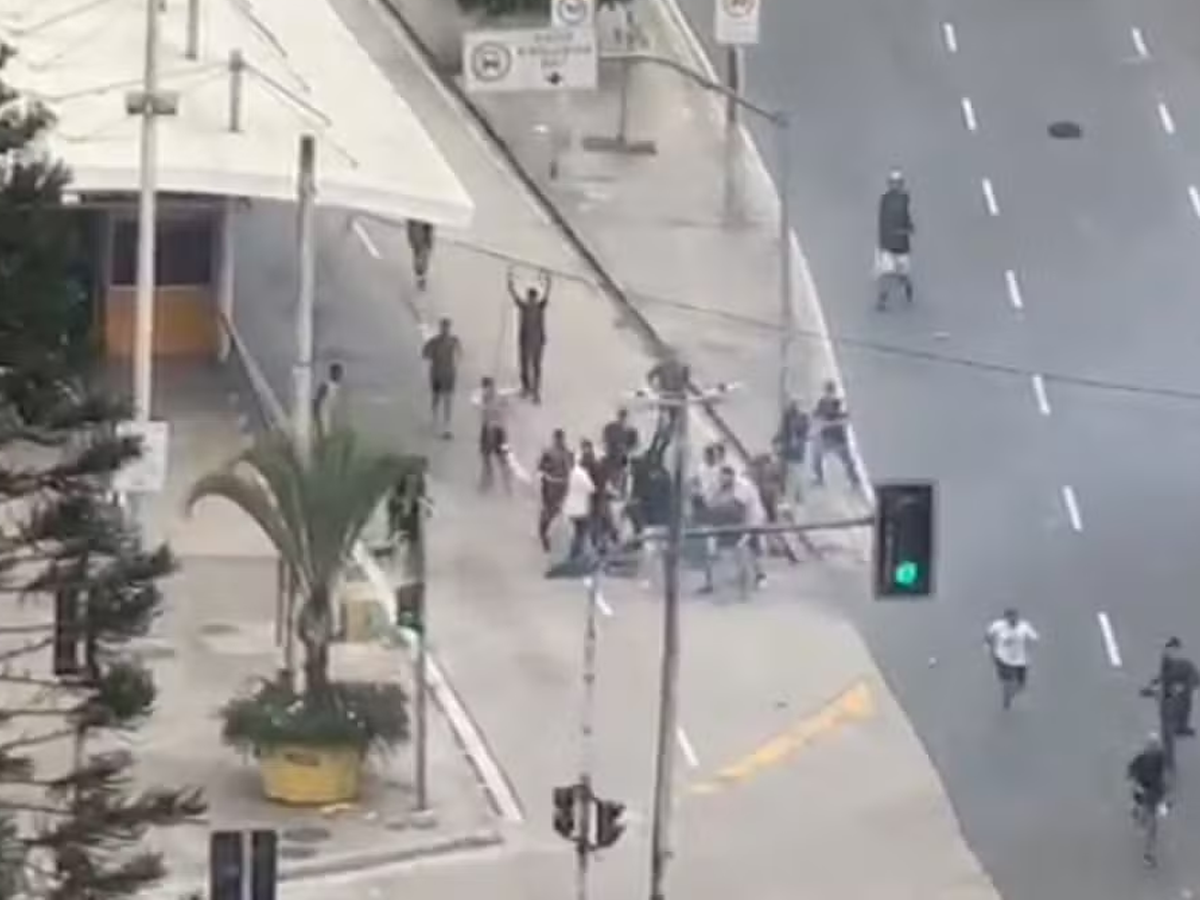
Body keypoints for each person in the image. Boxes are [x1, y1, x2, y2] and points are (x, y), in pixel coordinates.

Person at [700, 466, 751, 595]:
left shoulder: (739, 489)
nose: (722, 479)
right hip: (721, 529)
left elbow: (739, 508)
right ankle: (714, 587)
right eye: (721, 476)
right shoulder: (718, 491)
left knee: (741, 560)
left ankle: (743, 590)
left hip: (738, 529)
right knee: (718, 560)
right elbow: (711, 506)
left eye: (725, 476)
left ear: (731, 476)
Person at [508, 268, 551, 403]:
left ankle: (535, 392)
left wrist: (549, 282)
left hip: (537, 342)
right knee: (525, 365)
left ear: (534, 298)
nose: (531, 300)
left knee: (536, 366)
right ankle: (526, 388)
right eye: (530, 298)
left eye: (532, 298)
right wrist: (510, 283)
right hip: (526, 341)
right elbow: (514, 295)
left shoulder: (539, 306)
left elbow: (547, 295)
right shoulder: (525, 307)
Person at [1127, 733, 1170, 866]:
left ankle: (1148, 853)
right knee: (1150, 822)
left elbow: (1163, 775)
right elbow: (1132, 773)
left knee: (1151, 822)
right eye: (1153, 745)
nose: (1154, 748)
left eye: (1155, 745)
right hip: (1147, 793)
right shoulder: (1143, 758)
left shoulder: (1158, 757)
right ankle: (1148, 854)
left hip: (1152, 794)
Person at [1143, 637, 1199, 738]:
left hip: (1185, 681)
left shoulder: (1178, 662)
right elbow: (1164, 676)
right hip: (1176, 682)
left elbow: (1166, 676)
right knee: (1174, 703)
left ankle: (1181, 727)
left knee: (1184, 704)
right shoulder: (1168, 658)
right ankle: (1179, 727)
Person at [985, 608, 1039, 709]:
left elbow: (1034, 638)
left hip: (1020, 660)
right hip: (1002, 658)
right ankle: (1006, 694)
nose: (1013, 621)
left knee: (1021, 686)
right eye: (1010, 619)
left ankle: (1010, 695)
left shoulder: (1024, 626)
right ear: (1006, 619)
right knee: (1007, 680)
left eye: (1015, 618)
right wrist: (988, 648)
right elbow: (988, 635)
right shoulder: (998, 626)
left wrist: (1032, 647)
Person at [876, 169, 915, 309]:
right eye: (893, 183)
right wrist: (882, 242)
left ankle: (908, 287)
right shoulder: (885, 199)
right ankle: (882, 300)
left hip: (902, 245)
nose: (895, 185)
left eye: (898, 183)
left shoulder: (904, 198)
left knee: (902, 274)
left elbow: (906, 216)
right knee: (886, 273)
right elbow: (882, 222)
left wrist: (908, 228)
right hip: (888, 244)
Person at [811, 381, 861, 489]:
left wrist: (827, 424)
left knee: (847, 460)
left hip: (838, 438)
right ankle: (819, 479)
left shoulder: (838, 403)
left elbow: (846, 419)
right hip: (827, 438)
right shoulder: (822, 403)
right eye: (827, 391)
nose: (829, 394)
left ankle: (854, 480)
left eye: (830, 391)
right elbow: (816, 418)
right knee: (816, 457)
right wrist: (819, 427)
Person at [422, 318, 460, 439]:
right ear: (440, 328)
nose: (445, 329)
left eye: (447, 327)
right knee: (436, 397)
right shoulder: (434, 341)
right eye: (443, 327)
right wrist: (432, 355)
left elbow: (459, 354)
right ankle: (434, 418)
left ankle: (447, 424)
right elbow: (425, 354)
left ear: (449, 328)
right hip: (436, 373)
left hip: (449, 373)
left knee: (447, 399)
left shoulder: (454, 341)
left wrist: (455, 364)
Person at [537, 429, 572, 552]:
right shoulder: (550, 453)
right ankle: (545, 538)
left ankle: (555, 541)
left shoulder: (567, 453)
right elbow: (541, 469)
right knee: (550, 513)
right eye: (559, 438)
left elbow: (572, 469)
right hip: (553, 487)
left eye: (561, 438)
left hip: (562, 487)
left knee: (558, 513)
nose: (560, 441)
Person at [476, 377, 513, 493]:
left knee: (487, 458)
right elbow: (506, 409)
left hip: (490, 431)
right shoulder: (499, 397)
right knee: (501, 460)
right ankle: (507, 487)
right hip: (500, 431)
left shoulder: (485, 398)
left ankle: (487, 482)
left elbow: (487, 415)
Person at [774, 399, 810, 508]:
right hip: (788, 450)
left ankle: (798, 494)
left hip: (794, 452)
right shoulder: (789, 418)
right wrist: (776, 440)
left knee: (796, 472)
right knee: (786, 472)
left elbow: (801, 434)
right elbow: (782, 431)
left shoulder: (800, 419)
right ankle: (788, 494)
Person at [563, 451, 596, 563]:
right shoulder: (579, 473)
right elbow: (591, 488)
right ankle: (576, 555)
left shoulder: (572, 472)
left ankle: (577, 554)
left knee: (579, 533)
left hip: (573, 509)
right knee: (581, 533)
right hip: (580, 509)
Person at [601, 407, 639, 498]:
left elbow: (634, 445)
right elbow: (605, 441)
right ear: (618, 416)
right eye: (621, 416)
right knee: (613, 474)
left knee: (622, 474)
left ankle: (621, 493)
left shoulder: (631, 431)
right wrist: (611, 448)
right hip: (612, 457)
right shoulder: (610, 428)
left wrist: (626, 449)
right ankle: (613, 492)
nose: (623, 419)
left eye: (624, 417)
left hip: (623, 458)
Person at [312, 362, 345, 436]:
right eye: (337, 372)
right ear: (332, 373)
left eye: (340, 373)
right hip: (323, 414)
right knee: (322, 434)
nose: (339, 375)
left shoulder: (338, 386)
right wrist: (317, 417)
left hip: (332, 414)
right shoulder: (325, 385)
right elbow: (317, 401)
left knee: (330, 434)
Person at [407, 219, 435, 290]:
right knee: (421, 253)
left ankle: (421, 281)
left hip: (418, 228)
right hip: (418, 229)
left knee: (421, 254)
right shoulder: (424, 249)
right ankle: (420, 282)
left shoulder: (423, 250)